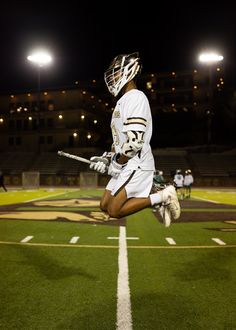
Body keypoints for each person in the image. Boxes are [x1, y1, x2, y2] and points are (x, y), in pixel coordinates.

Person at [89, 52, 180, 227]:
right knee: (104, 205)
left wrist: (117, 163)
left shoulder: (136, 97)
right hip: (126, 163)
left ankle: (163, 195)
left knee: (114, 210)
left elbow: (134, 143)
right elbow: (119, 142)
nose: (113, 77)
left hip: (136, 163)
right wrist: (107, 158)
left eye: (116, 72)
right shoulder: (122, 101)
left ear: (128, 71)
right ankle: (159, 197)